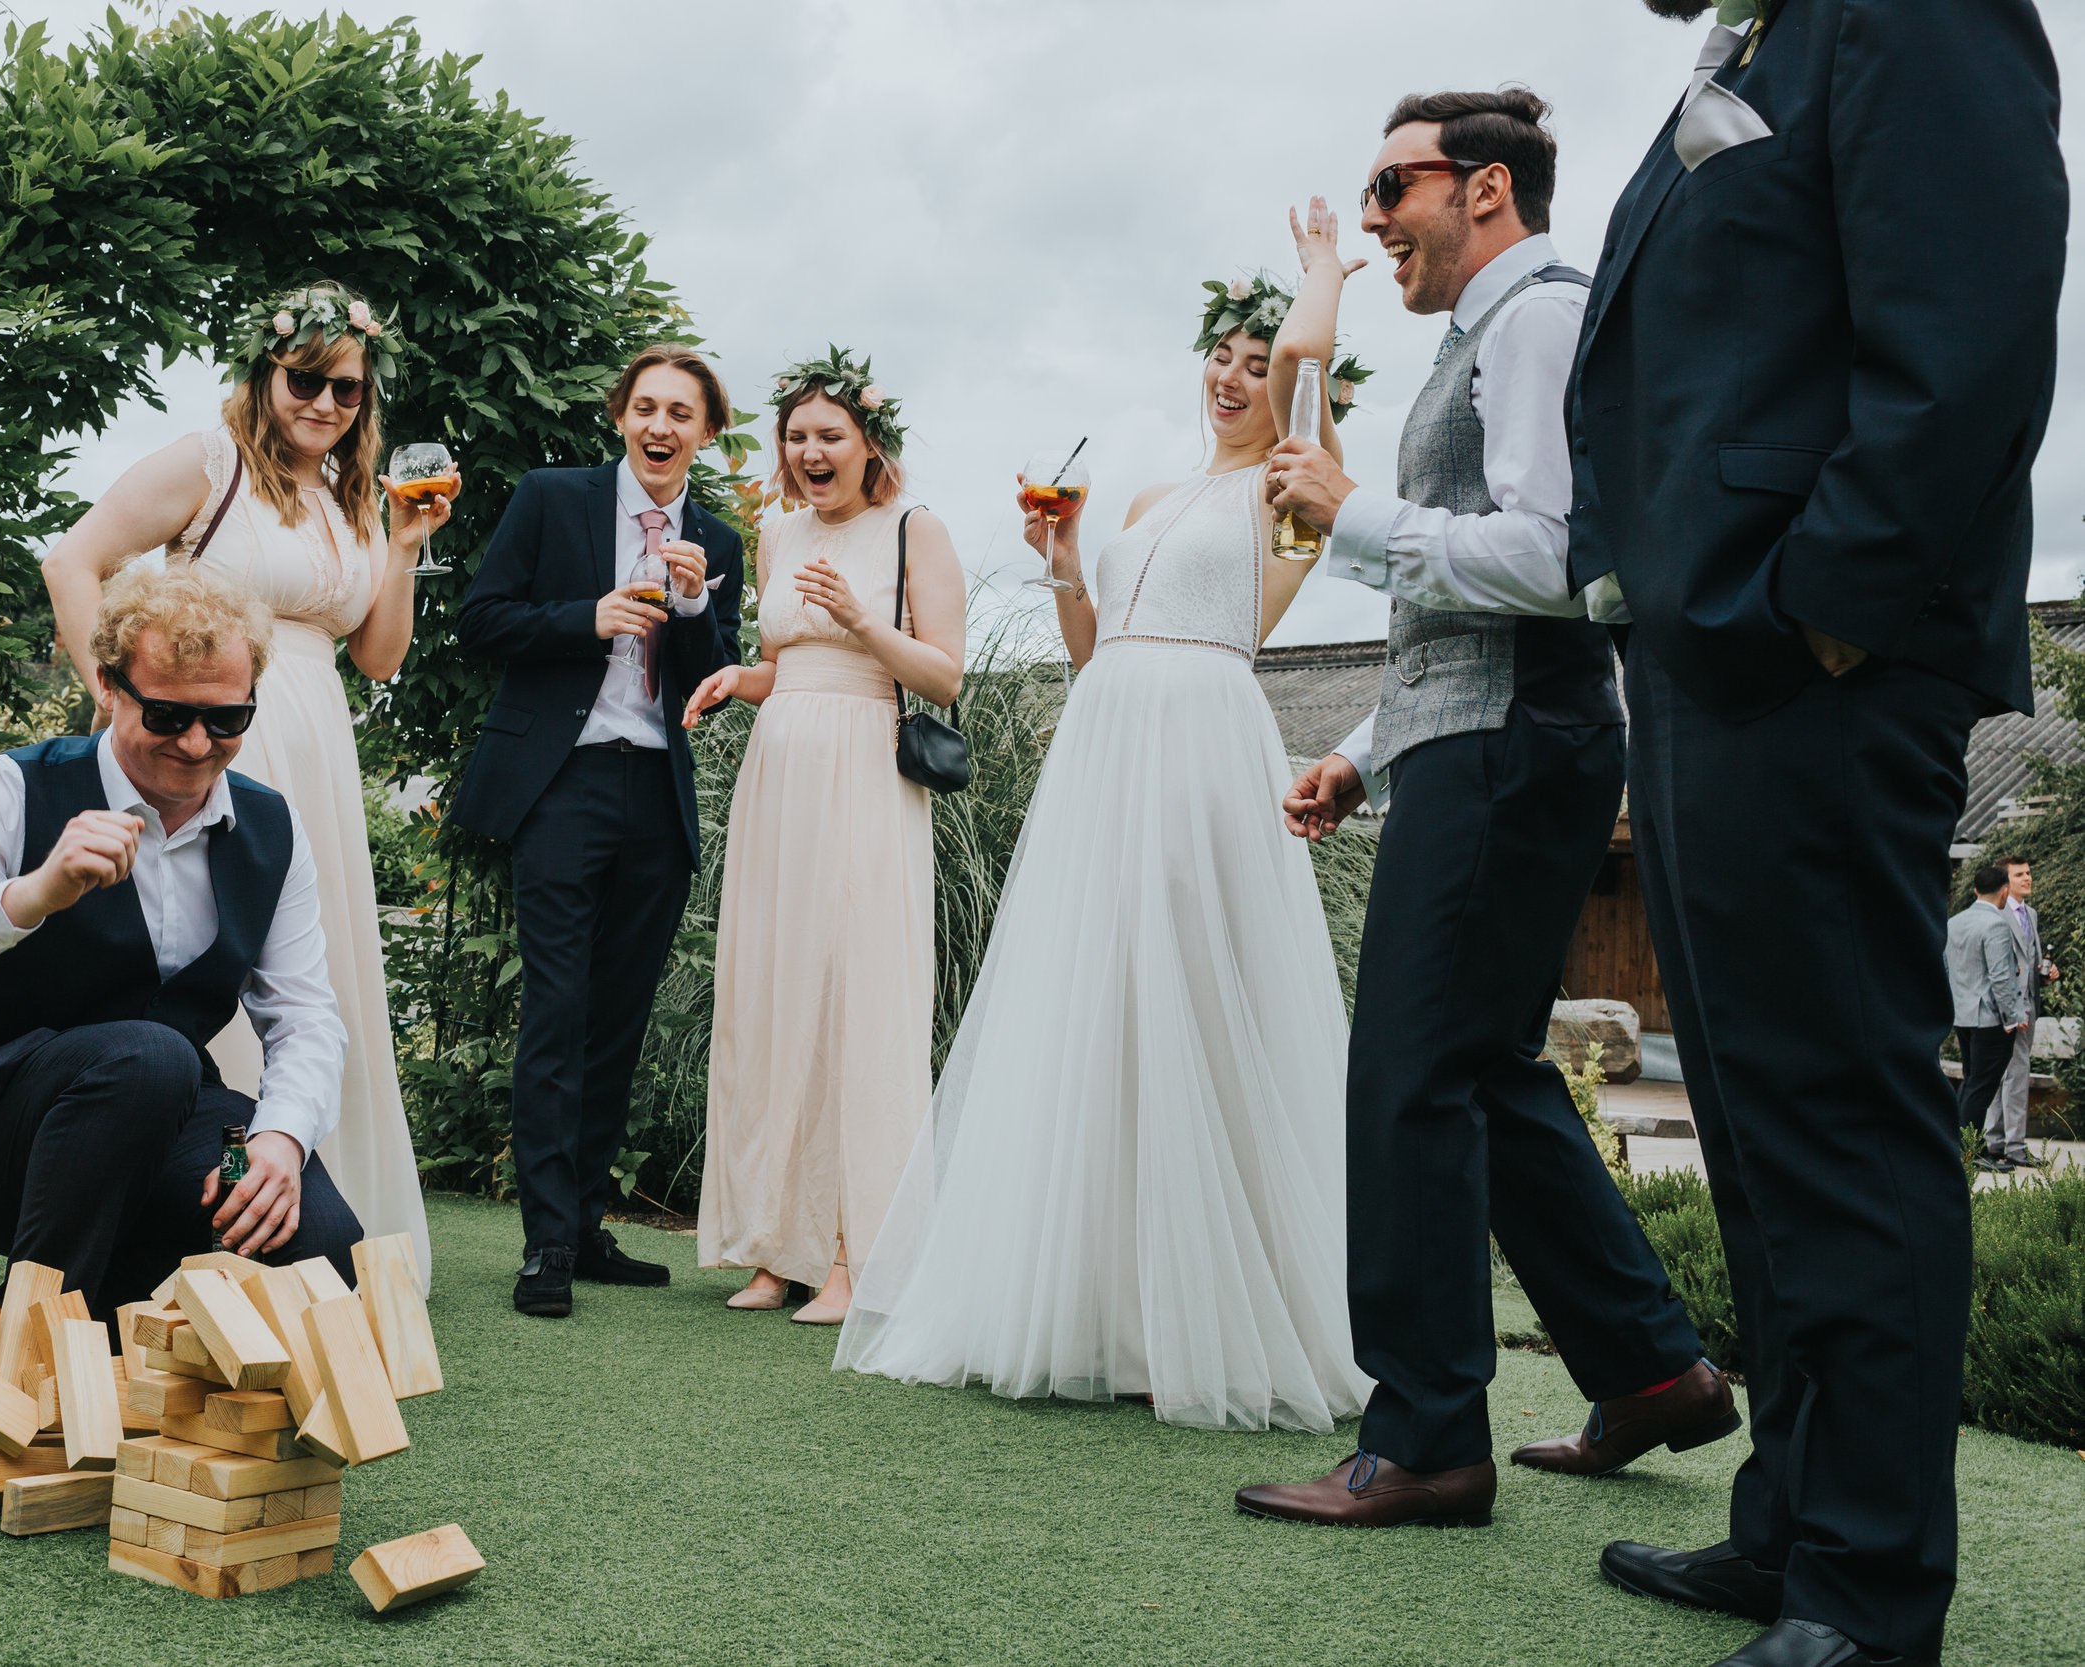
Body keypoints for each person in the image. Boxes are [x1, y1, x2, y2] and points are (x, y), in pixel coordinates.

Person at [1561, 2, 2064, 1662]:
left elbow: (1974, 327)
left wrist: (1828, 609)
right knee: (1760, 1116)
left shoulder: (1917, 9)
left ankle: (1866, 1581)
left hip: (1821, 655)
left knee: (1840, 1109)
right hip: (1714, 652)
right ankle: (1791, 1523)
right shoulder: (1750, 44)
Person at [1237, 92, 1728, 1533]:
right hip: (1492, 735)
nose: (1377, 214)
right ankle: (1649, 1369)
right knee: (1487, 1068)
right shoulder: (1479, 336)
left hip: (1522, 740)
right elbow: (1480, 606)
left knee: (1407, 1075)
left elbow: (1560, 557)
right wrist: (1373, 752)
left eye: (1395, 185)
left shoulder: (1535, 320)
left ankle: (1428, 1437)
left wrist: (1350, 517)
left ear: (1487, 187)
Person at [832, 203, 1372, 1432]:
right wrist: (1068, 560)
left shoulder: (1294, 496)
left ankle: (1208, 1316)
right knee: (1101, 1006)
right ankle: (1102, 1305)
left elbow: (1304, 372)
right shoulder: (1145, 496)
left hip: (1198, 749)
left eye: (1252, 358)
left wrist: (1320, 276)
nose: (1234, 375)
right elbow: (1089, 653)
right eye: (1220, 357)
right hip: (1106, 745)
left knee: (1191, 991)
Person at [40, 280, 449, 1289]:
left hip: (316, 743)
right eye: (305, 380)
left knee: (316, 976)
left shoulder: (357, 496)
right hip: (213, 733)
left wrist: (401, 551)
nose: (324, 404)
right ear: (266, 372)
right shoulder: (208, 464)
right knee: (214, 967)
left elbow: (381, 657)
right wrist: (113, 691)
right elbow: (72, 557)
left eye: (346, 390)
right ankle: (192, 1235)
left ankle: (313, 1218)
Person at [0, 565, 363, 1311]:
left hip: (166, 1119)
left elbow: (307, 1015)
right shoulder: (13, 789)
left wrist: (281, 1138)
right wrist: (31, 895)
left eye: (225, 720)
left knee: (317, 1244)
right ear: (108, 684)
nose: (195, 744)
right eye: (165, 715)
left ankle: (119, 1325)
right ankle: (36, 1348)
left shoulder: (270, 825)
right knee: (150, 1057)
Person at [449, 345, 746, 1317]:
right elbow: (481, 618)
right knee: (557, 1009)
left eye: (682, 413)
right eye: (647, 407)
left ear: (706, 431)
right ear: (621, 415)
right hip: (562, 784)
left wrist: (696, 604)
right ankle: (542, 1245)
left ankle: (583, 1225)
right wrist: (588, 615)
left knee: (618, 1020)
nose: (662, 426)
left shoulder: (717, 536)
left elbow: (714, 675)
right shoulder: (552, 496)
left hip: (655, 791)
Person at [683, 351, 966, 1325]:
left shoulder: (911, 529)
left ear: (867, 443)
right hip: (780, 774)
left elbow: (942, 676)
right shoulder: (772, 529)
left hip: (866, 774)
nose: (809, 450)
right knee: (773, 992)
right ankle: (777, 1246)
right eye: (797, 434)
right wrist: (738, 680)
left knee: (853, 997)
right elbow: (783, 660)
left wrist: (859, 620)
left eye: (828, 435)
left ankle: (856, 1251)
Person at [1946, 866, 2026, 1149]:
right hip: (1990, 1019)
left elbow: (1948, 968)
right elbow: (2001, 977)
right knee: (1981, 1088)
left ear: (1976, 890)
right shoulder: (1996, 925)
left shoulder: (1954, 922)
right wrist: (2011, 1018)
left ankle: (1960, 1147)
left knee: (1971, 1083)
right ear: (2004, 891)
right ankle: (1970, 1151)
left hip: (1962, 1015)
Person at [1991, 856, 2056, 1170]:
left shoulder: (2031, 913)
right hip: (2008, 1009)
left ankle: (1995, 1142)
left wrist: (2045, 973)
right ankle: (2012, 1147)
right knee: (2014, 1076)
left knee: (2012, 1075)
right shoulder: (1996, 914)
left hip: (2029, 1005)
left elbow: (2030, 962)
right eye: (2019, 874)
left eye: (2029, 872)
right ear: (2005, 881)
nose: (2027, 878)